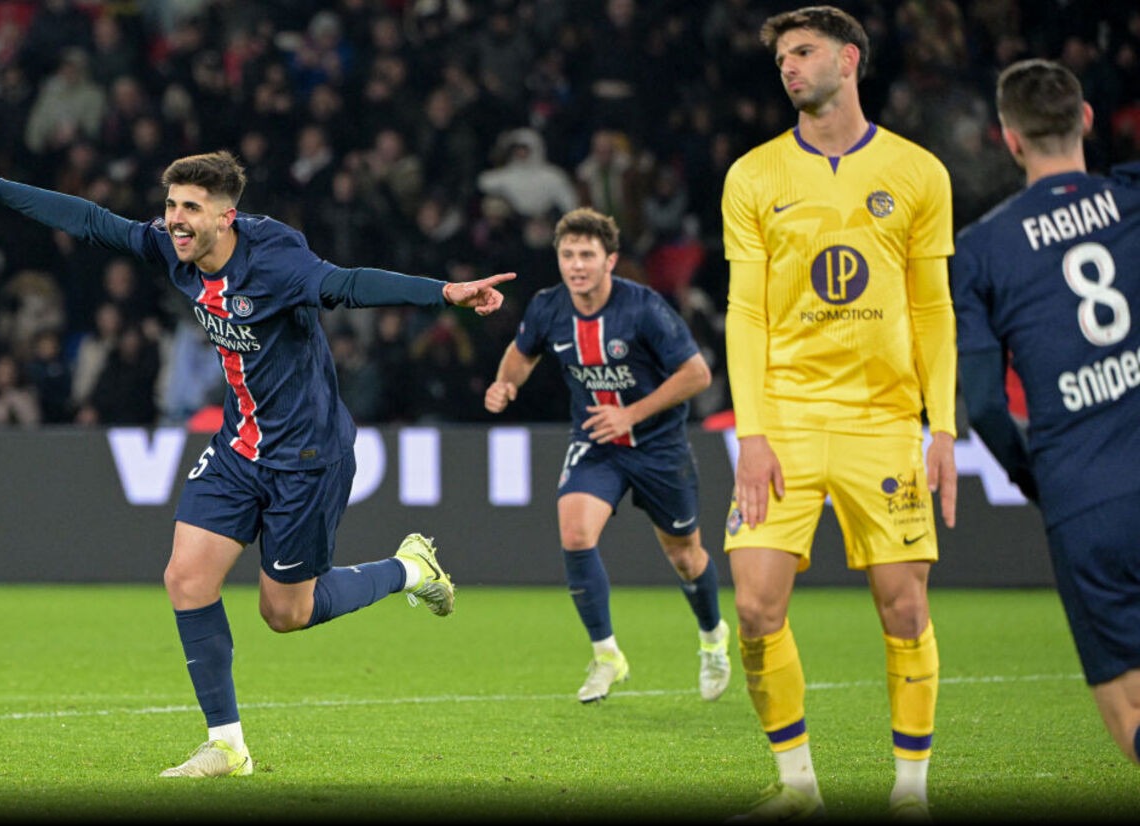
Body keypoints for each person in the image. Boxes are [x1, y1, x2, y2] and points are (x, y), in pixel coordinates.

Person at [0, 140, 514, 778]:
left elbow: (345, 285)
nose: (174, 219)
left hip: (308, 455)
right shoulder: (174, 251)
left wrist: (445, 293)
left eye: (190, 208)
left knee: (285, 613)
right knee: (185, 579)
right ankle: (227, 745)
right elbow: (93, 221)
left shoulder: (278, 262)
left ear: (225, 217)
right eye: (171, 204)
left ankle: (408, 567)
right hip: (240, 447)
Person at [720, 7, 957, 821]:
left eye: (804, 51)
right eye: (781, 56)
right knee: (753, 604)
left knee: (905, 606)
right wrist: (750, 433)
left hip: (883, 421)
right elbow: (744, 315)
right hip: (783, 416)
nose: (788, 67)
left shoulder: (919, 171)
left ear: (849, 59)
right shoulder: (752, 176)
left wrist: (945, 428)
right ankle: (798, 789)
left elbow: (934, 310)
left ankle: (911, 793)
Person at [952, 59, 1140, 769]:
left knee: (1128, 707)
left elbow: (988, 409)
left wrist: (1041, 480)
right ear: (1087, 120)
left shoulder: (981, 250)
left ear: (1009, 139)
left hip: (1085, 498)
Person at [484, 206, 730, 705]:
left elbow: (697, 375)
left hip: (659, 446)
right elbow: (522, 351)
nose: (576, 264)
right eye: (568, 254)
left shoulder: (643, 308)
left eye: (587, 255)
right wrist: (505, 383)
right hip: (597, 442)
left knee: (685, 556)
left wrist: (632, 414)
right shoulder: (549, 307)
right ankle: (606, 655)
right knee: (575, 532)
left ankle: (712, 638)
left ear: (610, 260)